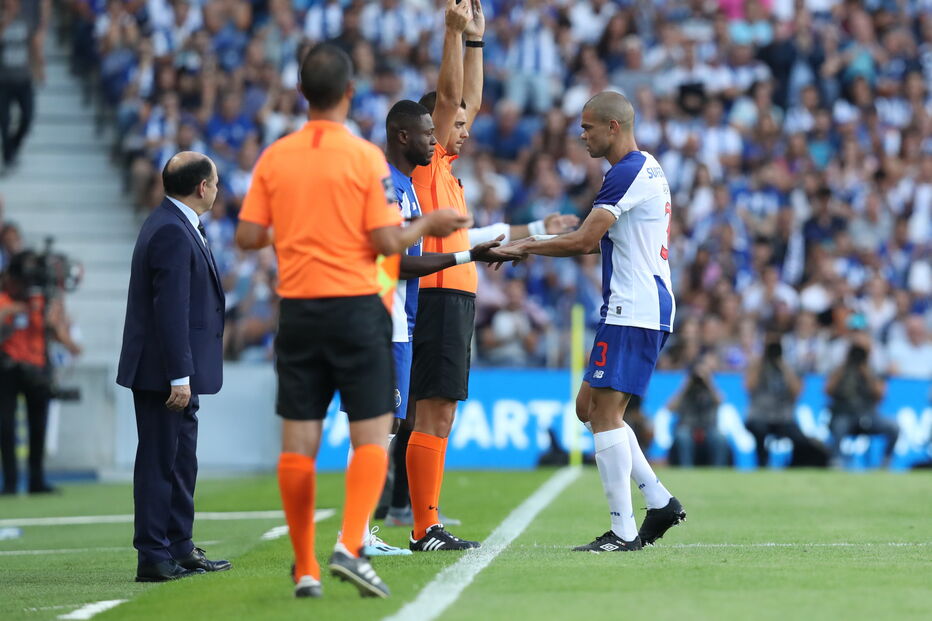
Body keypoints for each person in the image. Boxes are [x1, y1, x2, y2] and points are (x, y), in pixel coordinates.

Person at [235, 43, 468, 599]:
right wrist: (428, 224)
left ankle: (306, 566)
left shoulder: (276, 157)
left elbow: (246, 237)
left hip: (298, 311)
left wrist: (295, 231)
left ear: (301, 93)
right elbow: (388, 242)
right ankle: (351, 544)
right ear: (348, 95)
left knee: (299, 441)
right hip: (359, 311)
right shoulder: (366, 160)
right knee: (372, 432)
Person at [406, 0, 577, 553]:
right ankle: (423, 527)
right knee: (431, 410)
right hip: (436, 297)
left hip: (454, 299)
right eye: (454, 125)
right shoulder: (428, 164)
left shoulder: (449, 173)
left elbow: (468, 101)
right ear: (431, 127)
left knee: (442, 412)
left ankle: (424, 522)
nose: (466, 129)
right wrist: (452, 35)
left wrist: (477, 40)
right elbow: (454, 98)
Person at [498, 91, 685, 552]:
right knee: (589, 408)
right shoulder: (645, 166)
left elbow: (585, 240)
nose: (581, 135)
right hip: (633, 304)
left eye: (588, 127)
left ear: (614, 127)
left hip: (635, 306)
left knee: (603, 414)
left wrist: (527, 245)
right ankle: (658, 501)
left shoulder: (626, 172)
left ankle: (623, 532)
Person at [345, 98, 508, 556]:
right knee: (379, 427)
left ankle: (381, 530)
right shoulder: (390, 189)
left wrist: (499, 241)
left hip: (401, 319)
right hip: (380, 318)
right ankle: (362, 534)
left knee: (390, 425)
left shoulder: (406, 188)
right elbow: (394, 261)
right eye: (429, 134)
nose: (435, 141)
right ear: (403, 135)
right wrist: (464, 256)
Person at [117, 152, 231, 582]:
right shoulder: (171, 229)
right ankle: (152, 554)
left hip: (177, 369)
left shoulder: (175, 223)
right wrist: (179, 376)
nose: (219, 189)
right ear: (202, 186)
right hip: (164, 373)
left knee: (181, 461)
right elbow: (171, 310)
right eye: (216, 182)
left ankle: (179, 546)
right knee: (159, 462)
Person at [0, 250, 79, 495]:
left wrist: (54, 320)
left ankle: (37, 480)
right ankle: (10, 482)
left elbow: (58, 334)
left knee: (38, 426)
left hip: (37, 367)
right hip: (8, 367)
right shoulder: (4, 299)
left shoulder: (43, 300)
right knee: (6, 426)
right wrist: (16, 308)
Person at [745, 335, 828, 467]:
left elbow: (797, 392)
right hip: (760, 415)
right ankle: (761, 463)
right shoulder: (757, 366)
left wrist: (782, 365)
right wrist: (762, 359)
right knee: (759, 429)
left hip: (783, 417)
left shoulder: (788, 366)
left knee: (800, 440)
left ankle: (795, 465)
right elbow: (749, 387)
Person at [825, 333, 900, 466]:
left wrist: (866, 372)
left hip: (868, 414)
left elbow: (880, 395)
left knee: (894, 427)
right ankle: (836, 460)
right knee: (838, 427)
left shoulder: (873, 370)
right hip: (844, 414)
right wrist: (845, 365)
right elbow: (827, 391)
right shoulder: (840, 369)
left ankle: (886, 461)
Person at [0, 0, 46, 171]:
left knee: (28, 117)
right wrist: (5, 22)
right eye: (8, 4)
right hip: (3, 81)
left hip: (23, 79)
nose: (12, 7)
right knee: (4, 122)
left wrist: (39, 68)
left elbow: (33, 45)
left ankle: (14, 145)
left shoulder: (26, 22)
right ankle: (7, 157)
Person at [669, 351, 729, 467]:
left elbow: (720, 401)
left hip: (709, 427)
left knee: (719, 438)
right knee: (682, 436)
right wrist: (686, 385)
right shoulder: (686, 390)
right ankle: (686, 470)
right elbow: (671, 408)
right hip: (688, 427)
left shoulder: (711, 389)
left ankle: (719, 471)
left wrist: (708, 382)